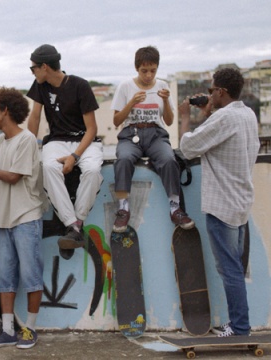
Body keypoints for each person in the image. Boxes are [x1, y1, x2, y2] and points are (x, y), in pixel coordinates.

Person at [179, 68, 259, 337]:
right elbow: (227, 136)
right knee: (234, 266)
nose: (210, 93)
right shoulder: (246, 113)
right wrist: (211, 111)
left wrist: (184, 119)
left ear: (222, 92)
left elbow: (188, 147)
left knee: (230, 270)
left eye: (213, 90)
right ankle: (240, 324)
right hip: (240, 202)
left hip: (221, 204)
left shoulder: (224, 118)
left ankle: (240, 328)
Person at [0, 87, 44, 349]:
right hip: (4, 220)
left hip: (26, 216)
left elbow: (13, 176)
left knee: (31, 275)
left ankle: (31, 329)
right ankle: (8, 330)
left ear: (6, 111)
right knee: (5, 277)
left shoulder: (27, 140)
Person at [27, 44, 103, 249]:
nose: (32, 72)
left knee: (93, 171)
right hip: (57, 140)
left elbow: (92, 129)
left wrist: (75, 157)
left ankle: (77, 222)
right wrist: (29, 146)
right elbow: (34, 117)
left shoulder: (80, 85)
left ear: (44, 67)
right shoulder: (40, 85)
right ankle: (73, 225)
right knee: (49, 168)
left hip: (85, 141)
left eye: (33, 68)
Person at [111, 46, 194, 232]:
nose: (148, 75)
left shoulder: (162, 86)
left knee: (168, 159)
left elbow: (169, 121)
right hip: (130, 134)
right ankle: (123, 208)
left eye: (153, 71)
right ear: (136, 68)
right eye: (144, 71)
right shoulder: (125, 86)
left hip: (156, 133)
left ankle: (175, 207)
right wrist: (131, 102)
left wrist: (165, 101)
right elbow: (116, 120)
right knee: (123, 160)